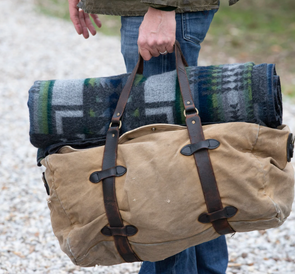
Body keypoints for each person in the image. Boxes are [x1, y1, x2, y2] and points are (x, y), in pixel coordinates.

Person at [68, 1, 239, 273]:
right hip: (149, 8)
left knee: (161, 156)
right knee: (180, 146)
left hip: (161, 8)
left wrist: (164, 7)